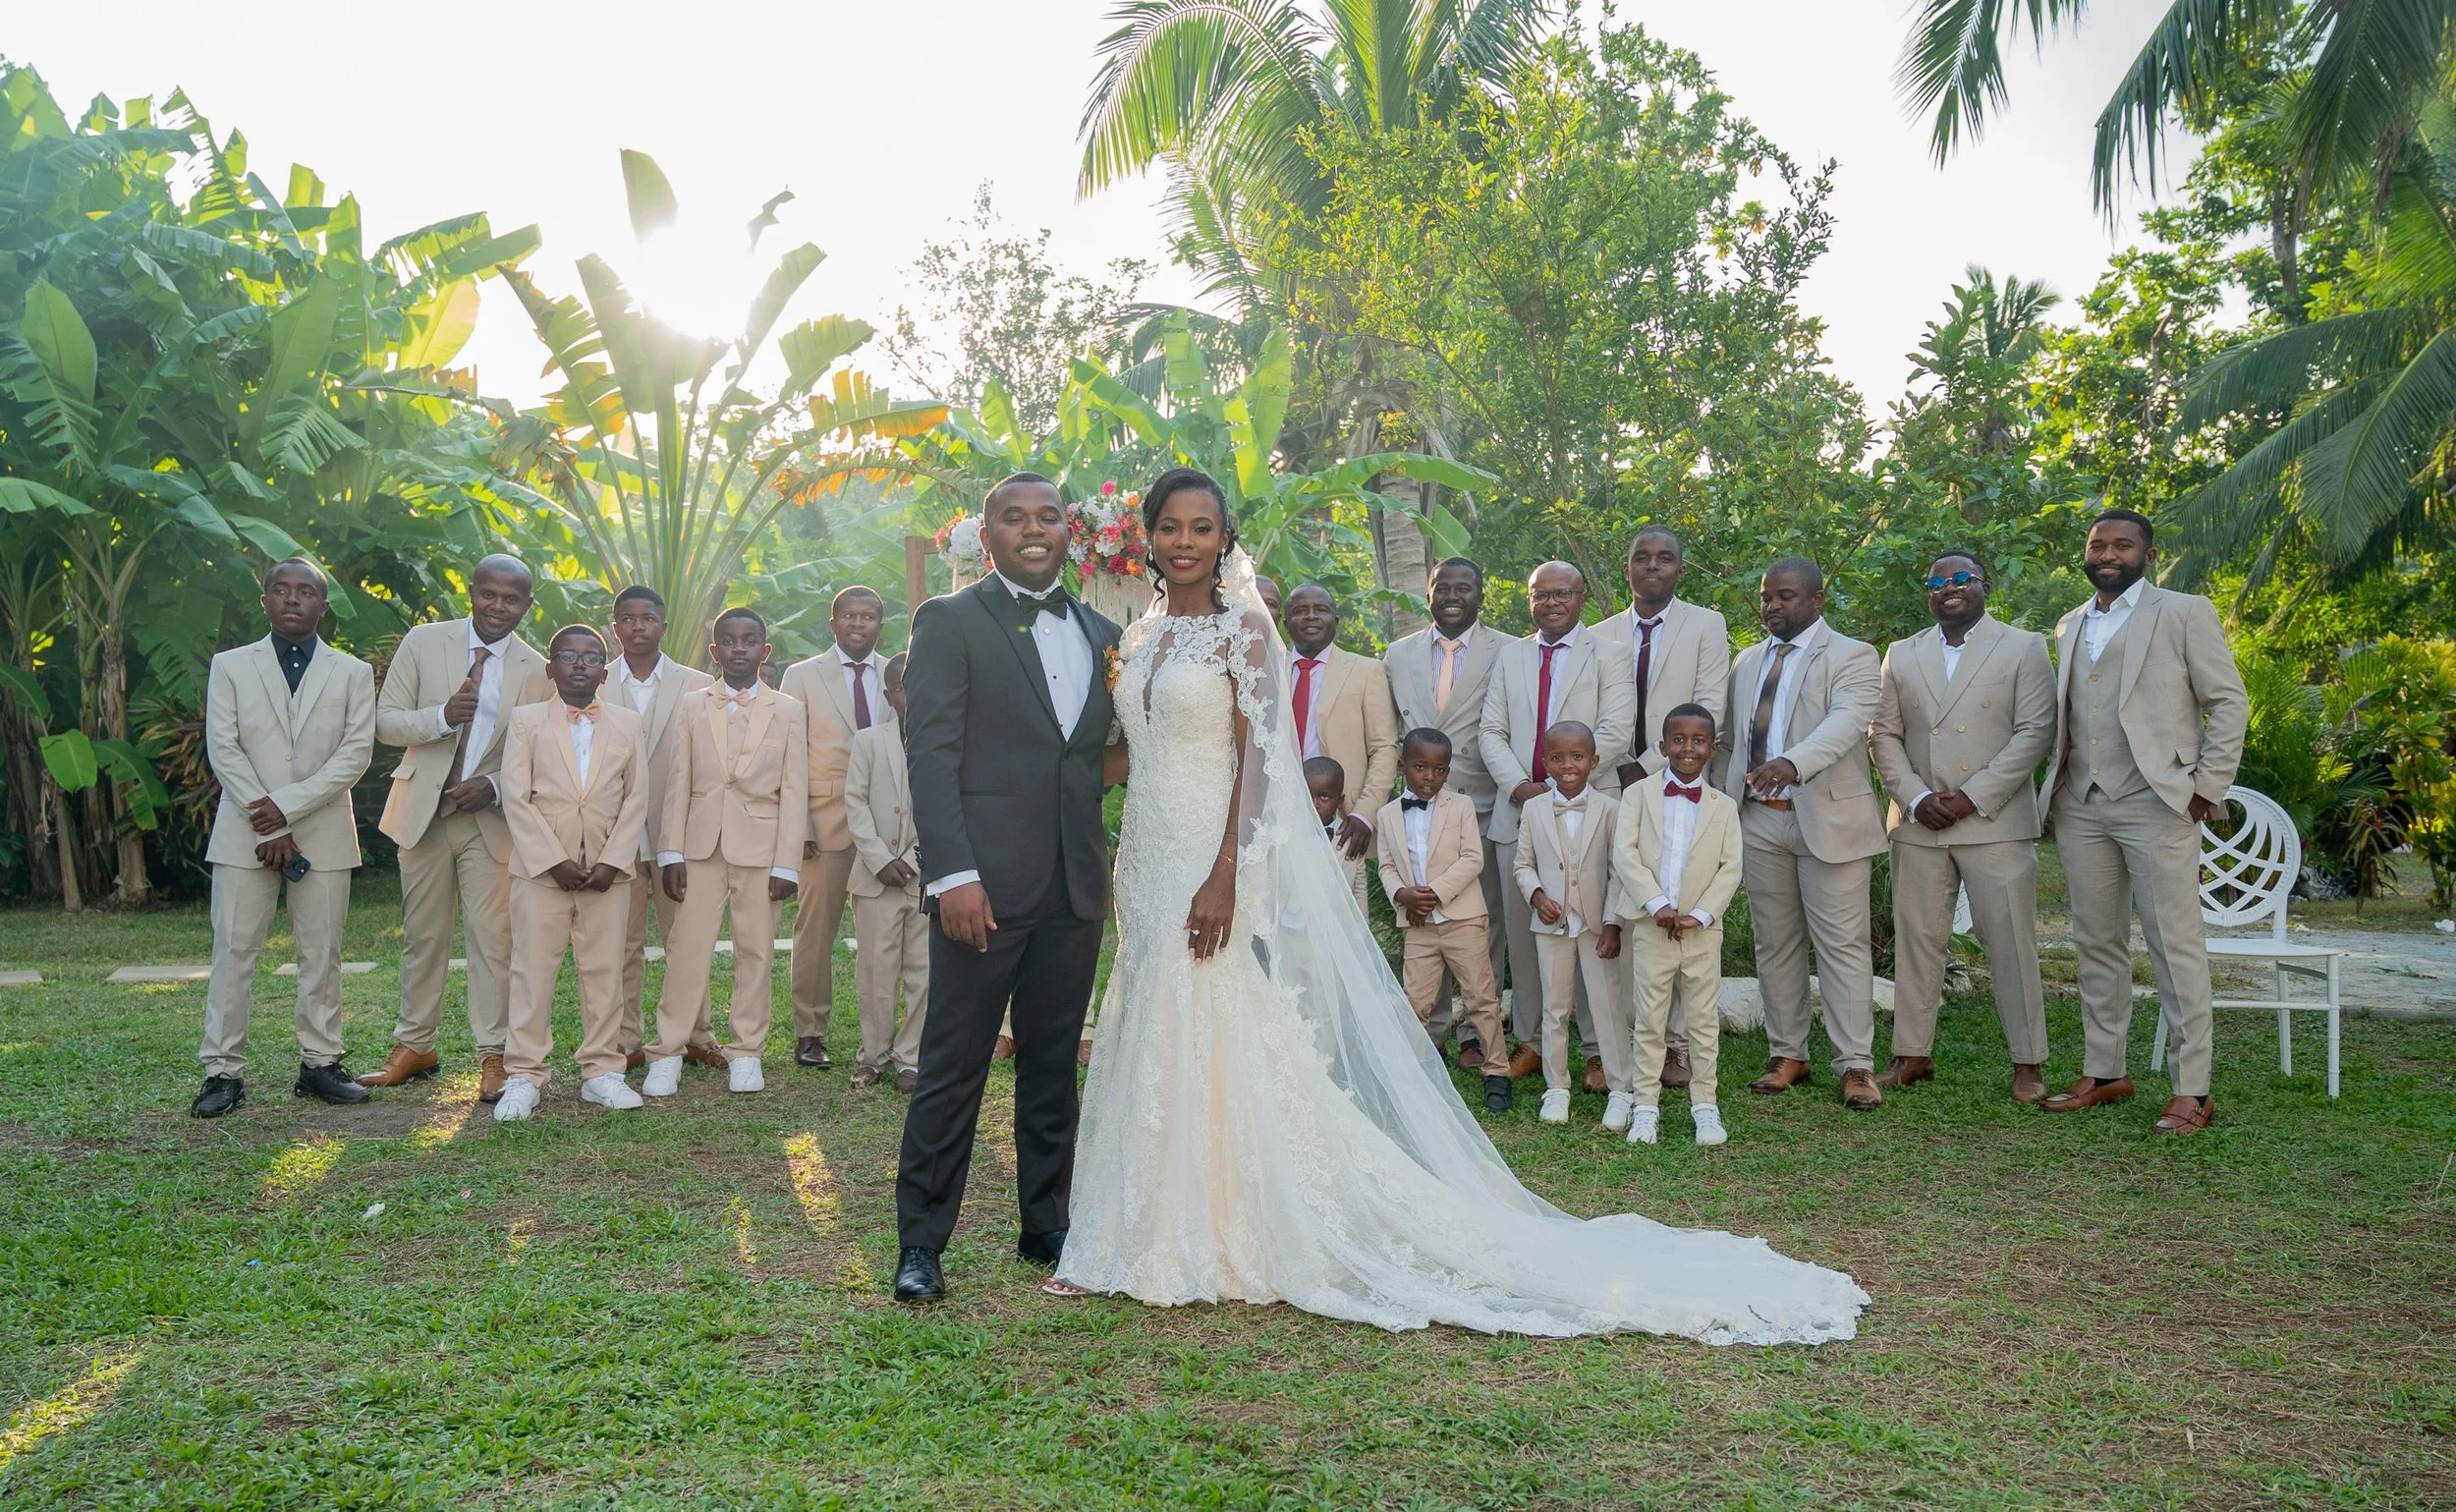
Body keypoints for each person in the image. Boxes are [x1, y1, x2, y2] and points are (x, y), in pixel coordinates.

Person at [1047, 466, 1867, 1343]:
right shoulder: (1139, 635)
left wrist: (1224, 874)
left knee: (1212, 1013)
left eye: (1202, 528)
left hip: (1211, 860)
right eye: (1170, 526)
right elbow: (1133, 752)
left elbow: (1259, 765)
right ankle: (1155, 1221)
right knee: (1161, 1017)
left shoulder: (1244, 631)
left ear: (1225, 539)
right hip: (1149, 858)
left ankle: (1218, 1228)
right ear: (1147, 535)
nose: (1184, 542)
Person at [892, 472, 1125, 1305]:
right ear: (985, 533)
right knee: (954, 1064)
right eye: (1015, 517)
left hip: (1073, 886)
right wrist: (953, 873)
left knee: (1054, 1064)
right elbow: (931, 752)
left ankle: (1045, 1223)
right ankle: (921, 1242)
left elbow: (1092, 757)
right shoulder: (948, 619)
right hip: (980, 888)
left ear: (1070, 531)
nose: (1034, 529)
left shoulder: (1105, 632)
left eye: (1048, 516)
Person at [2039, 509, 2248, 1136]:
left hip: (2158, 801)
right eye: (2097, 544)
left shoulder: (2184, 612)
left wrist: (2204, 790)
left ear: (2148, 555)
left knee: (2173, 945)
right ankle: (2106, 1071)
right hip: (2081, 802)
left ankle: (2193, 1089)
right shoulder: (2070, 623)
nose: (2108, 554)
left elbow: (2227, 701)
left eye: (2122, 545)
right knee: (2096, 941)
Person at [1869, 552, 2057, 1103]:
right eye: (1936, 581)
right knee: (1918, 941)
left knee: (2011, 944)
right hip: (1919, 820)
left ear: (1985, 586)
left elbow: (2035, 730)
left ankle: (2028, 1061)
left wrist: (1972, 797)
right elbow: (1883, 734)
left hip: (1994, 820)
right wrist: (1915, 797)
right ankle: (1911, 1054)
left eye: (1960, 579)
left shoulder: (2023, 646)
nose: (1948, 587)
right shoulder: (1903, 652)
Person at [193, 560, 377, 1118]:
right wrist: (269, 820)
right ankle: (222, 1072)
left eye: (305, 592)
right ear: (265, 600)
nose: (292, 599)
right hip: (245, 829)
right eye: (280, 589)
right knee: (234, 950)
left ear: (324, 604)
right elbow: (224, 747)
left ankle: (320, 1064)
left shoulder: (352, 672)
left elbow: (355, 753)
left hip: (324, 829)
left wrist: (287, 809)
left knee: (322, 952)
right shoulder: (230, 665)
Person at [365, 554, 551, 1102]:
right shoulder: (425, 641)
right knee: (423, 936)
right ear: (471, 592)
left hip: (488, 821)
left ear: (527, 605)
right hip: (422, 813)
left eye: (511, 598)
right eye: (488, 594)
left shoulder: (537, 669)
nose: (498, 606)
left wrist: (492, 786)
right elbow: (385, 721)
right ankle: (414, 1045)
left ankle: (495, 1056)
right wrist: (442, 717)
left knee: (494, 941)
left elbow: (538, 754)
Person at [1717, 558, 1888, 1110]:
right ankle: (1786, 1053)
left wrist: (1793, 763)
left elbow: (1847, 723)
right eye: (1766, 596)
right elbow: (1731, 741)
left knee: (1842, 945)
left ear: (1817, 600)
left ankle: (1855, 1064)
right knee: (1774, 943)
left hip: (1828, 818)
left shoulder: (1853, 655)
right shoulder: (1747, 661)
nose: (1772, 606)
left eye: (1785, 596)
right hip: (1758, 819)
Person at [1479, 562, 1636, 1091]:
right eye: (1540, 594)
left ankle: (1596, 1050)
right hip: (1519, 811)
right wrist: (1522, 788)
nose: (1551, 603)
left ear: (1581, 598)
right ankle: (1531, 1041)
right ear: (1529, 600)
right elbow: (1491, 732)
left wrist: (1560, 787)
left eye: (1562, 593)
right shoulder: (1511, 656)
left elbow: (1615, 731)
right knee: (1528, 937)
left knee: (1593, 931)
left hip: (1590, 812)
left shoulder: (1610, 655)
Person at [643, 608, 808, 1098]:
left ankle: (747, 1050)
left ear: (764, 650)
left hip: (762, 847)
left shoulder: (788, 709)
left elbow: (794, 789)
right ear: (714, 651)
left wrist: (787, 863)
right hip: (699, 845)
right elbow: (678, 781)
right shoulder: (693, 705)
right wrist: (670, 852)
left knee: (755, 950)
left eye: (749, 640)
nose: (739, 648)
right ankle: (668, 1050)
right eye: (729, 641)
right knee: (686, 948)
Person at [494, 626, 653, 1122]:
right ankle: (524, 1075)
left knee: (606, 971)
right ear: (551, 668)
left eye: (591, 657)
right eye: (567, 655)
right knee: (531, 971)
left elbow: (637, 797)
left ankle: (602, 1070)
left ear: (605, 673)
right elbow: (516, 797)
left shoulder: (627, 723)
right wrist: (553, 861)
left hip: (607, 871)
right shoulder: (526, 721)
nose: (579, 664)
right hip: (542, 870)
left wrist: (613, 860)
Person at [1590, 527, 1729, 1093]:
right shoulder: (1598, 634)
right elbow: (1595, 710)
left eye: (1664, 558)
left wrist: (1647, 766)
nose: (1652, 566)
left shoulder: (1707, 625)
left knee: (1676, 903)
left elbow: (1710, 705)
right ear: (1626, 568)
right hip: (1610, 783)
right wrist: (1620, 765)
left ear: (1680, 569)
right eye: (1641, 558)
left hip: (1678, 779)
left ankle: (1675, 1044)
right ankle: (1615, 1040)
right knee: (1622, 909)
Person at [1383, 558, 1508, 1071]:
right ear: (1428, 593)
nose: (1454, 596)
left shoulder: (1509, 650)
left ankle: (1477, 1034)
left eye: (1465, 587)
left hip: (1479, 804)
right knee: (1422, 919)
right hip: (1416, 808)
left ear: (1481, 595)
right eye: (1443, 587)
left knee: (1482, 920)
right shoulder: (1397, 654)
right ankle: (1430, 1033)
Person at [604, 586, 724, 1074]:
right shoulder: (594, 680)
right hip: (613, 835)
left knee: (687, 938)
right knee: (621, 941)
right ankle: (624, 1039)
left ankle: (697, 1034)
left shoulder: (698, 684)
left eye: (648, 618)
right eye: (628, 618)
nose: (638, 626)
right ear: (615, 625)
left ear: (663, 626)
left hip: (680, 834)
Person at [1616, 704, 1743, 1148]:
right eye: (1679, 739)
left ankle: (1705, 1106)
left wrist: (1700, 914)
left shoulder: (1724, 806)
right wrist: (1657, 905)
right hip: (1653, 926)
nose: (1688, 748)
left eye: (1699, 741)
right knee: (1649, 1019)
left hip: (1702, 931)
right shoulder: (1638, 794)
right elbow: (1625, 853)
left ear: (1713, 749)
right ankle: (1645, 1107)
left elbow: (1730, 867)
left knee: (1702, 1021)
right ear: (1663, 745)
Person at [778, 587, 890, 1071]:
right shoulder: (802, 676)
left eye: (867, 616)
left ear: (880, 625)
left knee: (885, 936)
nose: (858, 624)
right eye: (849, 616)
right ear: (833, 624)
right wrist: (798, 823)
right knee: (815, 932)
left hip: (885, 828)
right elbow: (788, 753)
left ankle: (882, 1038)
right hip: (823, 824)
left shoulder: (898, 673)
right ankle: (810, 1032)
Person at [1373, 729, 1510, 1115]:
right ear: (1402, 766)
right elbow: (1386, 865)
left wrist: (1432, 893)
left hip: (1462, 918)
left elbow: (1472, 859)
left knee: (1480, 997)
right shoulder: (1387, 814)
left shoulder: (1460, 806)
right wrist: (1402, 894)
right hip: (1417, 922)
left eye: (1439, 769)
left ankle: (1497, 1072)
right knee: (1415, 1002)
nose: (1429, 777)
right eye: (1420, 767)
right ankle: (1410, 1076)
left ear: (1448, 771)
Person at [1511, 722, 1629, 1127]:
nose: (1568, 765)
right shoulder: (1534, 809)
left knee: (1607, 1005)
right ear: (1545, 762)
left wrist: (1613, 924)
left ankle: (1621, 1088)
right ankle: (1556, 1087)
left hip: (1597, 927)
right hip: (1552, 925)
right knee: (1555, 1007)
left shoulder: (1611, 809)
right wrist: (1537, 896)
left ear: (1594, 761)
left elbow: (1618, 871)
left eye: (1577, 757)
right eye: (1557, 758)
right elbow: (1522, 864)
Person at [844, 652, 927, 1092]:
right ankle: (873, 1055)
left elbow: (953, 805)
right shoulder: (868, 741)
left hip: (925, 878)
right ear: (889, 694)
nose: (910, 694)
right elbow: (855, 803)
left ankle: (911, 1057)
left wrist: (913, 859)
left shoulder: (951, 739)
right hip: (875, 878)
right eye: (900, 687)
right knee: (875, 970)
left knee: (922, 970)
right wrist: (880, 859)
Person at [1281, 584, 1401, 872]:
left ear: (1336, 620)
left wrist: (1364, 813)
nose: (1311, 616)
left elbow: (1384, 748)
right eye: (1300, 610)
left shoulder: (1366, 671)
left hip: (1344, 820)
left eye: (1320, 609)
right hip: (1278, 813)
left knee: (1347, 900)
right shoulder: (1268, 670)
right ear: (1286, 623)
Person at [1304, 756, 1368, 907]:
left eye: (1324, 797)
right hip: (1295, 917)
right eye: (1307, 795)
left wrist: (1362, 919)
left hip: (1339, 916)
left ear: (1340, 801)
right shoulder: (1288, 834)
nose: (1314, 804)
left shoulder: (1352, 836)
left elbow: (1359, 885)